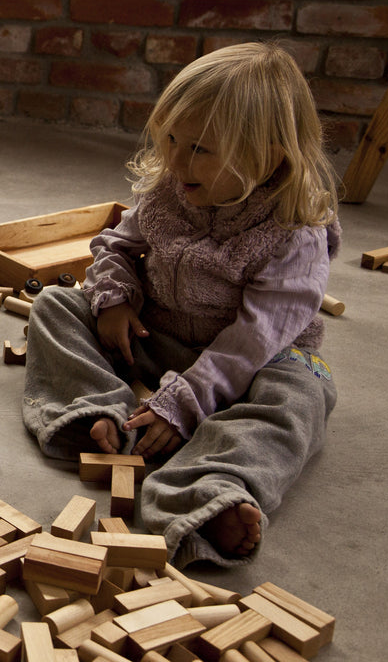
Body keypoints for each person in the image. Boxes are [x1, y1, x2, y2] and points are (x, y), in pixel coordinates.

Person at [22, 42, 341, 567]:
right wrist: (115, 300)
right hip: (158, 337)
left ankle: (210, 488)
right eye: (171, 137)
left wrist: (187, 401)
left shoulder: (293, 232)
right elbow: (116, 246)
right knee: (57, 305)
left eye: (200, 149)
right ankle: (98, 410)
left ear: (272, 156)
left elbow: (254, 339)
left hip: (256, 363)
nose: (175, 159)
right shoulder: (170, 189)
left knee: (297, 400)